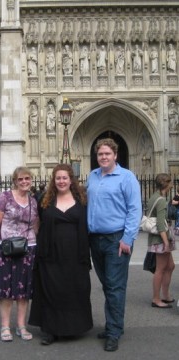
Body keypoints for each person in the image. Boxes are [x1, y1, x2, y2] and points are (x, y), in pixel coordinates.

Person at [86, 138, 142, 352]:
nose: (103, 157)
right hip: (95, 239)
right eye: (100, 154)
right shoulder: (92, 176)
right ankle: (113, 324)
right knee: (108, 285)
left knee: (115, 286)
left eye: (107, 154)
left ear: (115, 155)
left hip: (116, 240)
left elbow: (134, 210)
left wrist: (128, 239)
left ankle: (113, 332)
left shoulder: (127, 178)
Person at [29, 164, 93, 345]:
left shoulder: (82, 199)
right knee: (51, 290)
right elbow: (36, 223)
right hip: (50, 255)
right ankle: (51, 330)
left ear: (71, 179)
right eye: (58, 178)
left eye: (65, 178)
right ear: (53, 180)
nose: (61, 181)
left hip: (75, 255)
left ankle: (72, 327)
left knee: (73, 290)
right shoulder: (45, 200)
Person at [0, 167, 39, 342]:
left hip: (28, 247)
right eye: (20, 179)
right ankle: (5, 326)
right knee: (6, 289)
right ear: (15, 181)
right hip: (7, 247)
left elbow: (35, 226)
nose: (24, 182)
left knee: (24, 290)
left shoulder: (33, 201)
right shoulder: (5, 197)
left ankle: (21, 326)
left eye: (27, 179)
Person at [146, 173, 175, 308]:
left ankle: (166, 295)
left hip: (156, 238)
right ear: (166, 184)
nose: (172, 186)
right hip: (160, 239)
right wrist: (167, 242)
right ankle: (156, 299)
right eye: (171, 183)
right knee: (160, 269)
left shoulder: (154, 197)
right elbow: (160, 224)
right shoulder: (162, 200)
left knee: (170, 266)